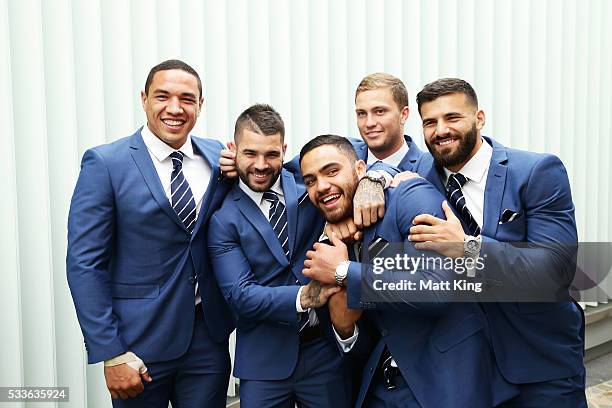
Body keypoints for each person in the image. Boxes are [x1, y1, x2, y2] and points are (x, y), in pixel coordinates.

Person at [299, 135, 514, 408]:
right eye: (310, 180)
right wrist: (345, 328)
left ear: (361, 170)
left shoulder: (409, 196)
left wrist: (344, 271)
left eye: (332, 171)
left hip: (447, 381)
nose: (322, 186)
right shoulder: (330, 239)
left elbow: (436, 290)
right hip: (381, 387)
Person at [67, 59, 234, 407]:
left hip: (207, 340)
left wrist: (376, 174)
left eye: (187, 99)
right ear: (144, 99)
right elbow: (85, 264)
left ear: (200, 105)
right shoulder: (105, 164)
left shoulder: (218, 156)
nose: (175, 108)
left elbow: (275, 167)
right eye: (163, 96)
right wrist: (110, 352)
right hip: (137, 344)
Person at [409, 78, 586, 407]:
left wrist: (467, 248)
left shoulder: (536, 171)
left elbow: (555, 270)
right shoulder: (420, 175)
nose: (440, 130)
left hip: (539, 361)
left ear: (479, 118)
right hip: (465, 370)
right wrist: (371, 183)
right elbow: (366, 160)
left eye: (453, 118)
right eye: (430, 122)